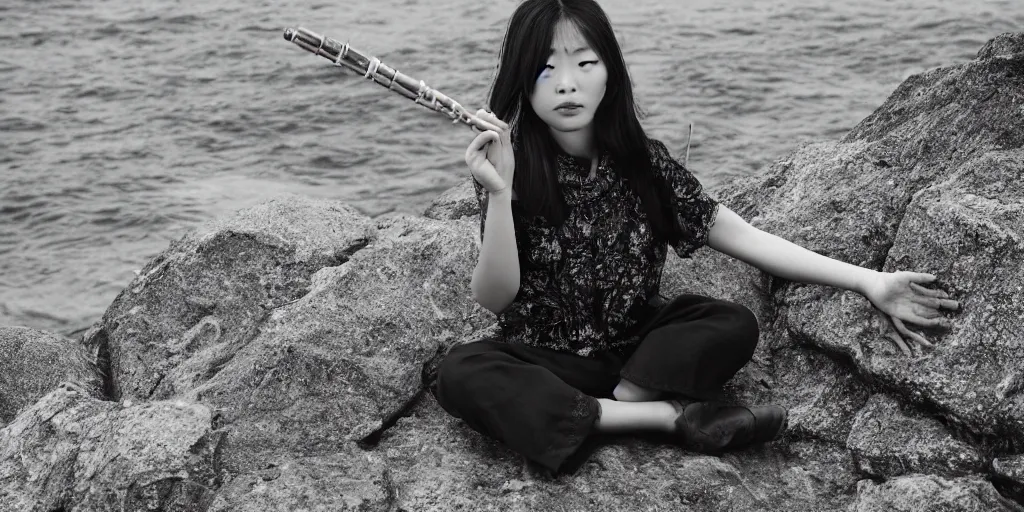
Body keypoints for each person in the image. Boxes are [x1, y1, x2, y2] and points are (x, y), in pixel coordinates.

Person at [430, 0, 958, 475]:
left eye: (584, 64)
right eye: (546, 69)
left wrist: (869, 281)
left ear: (609, 72)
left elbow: (743, 237)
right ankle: (665, 417)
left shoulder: (643, 163)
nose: (566, 83)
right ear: (523, 82)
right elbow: (494, 298)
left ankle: (612, 410)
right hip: (548, 357)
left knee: (731, 322)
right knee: (461, 371)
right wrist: (500, 194)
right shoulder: (512, 163)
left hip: (637, 356)